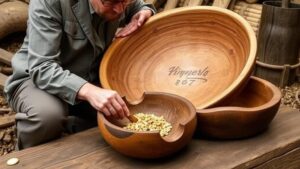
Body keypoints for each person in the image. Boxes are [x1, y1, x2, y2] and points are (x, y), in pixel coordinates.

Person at [4, 0, 156, 150]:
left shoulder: (120, 4)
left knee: (126, 110)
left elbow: (140, 6)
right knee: (47, 117)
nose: (120, 10)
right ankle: (27, 159)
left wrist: (144, 12)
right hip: (37, 78)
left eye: (124, 2)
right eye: (110, 3)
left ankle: (71, 125)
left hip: (90, 77)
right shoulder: (49, 2)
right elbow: (41, 67)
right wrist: (90, 91)